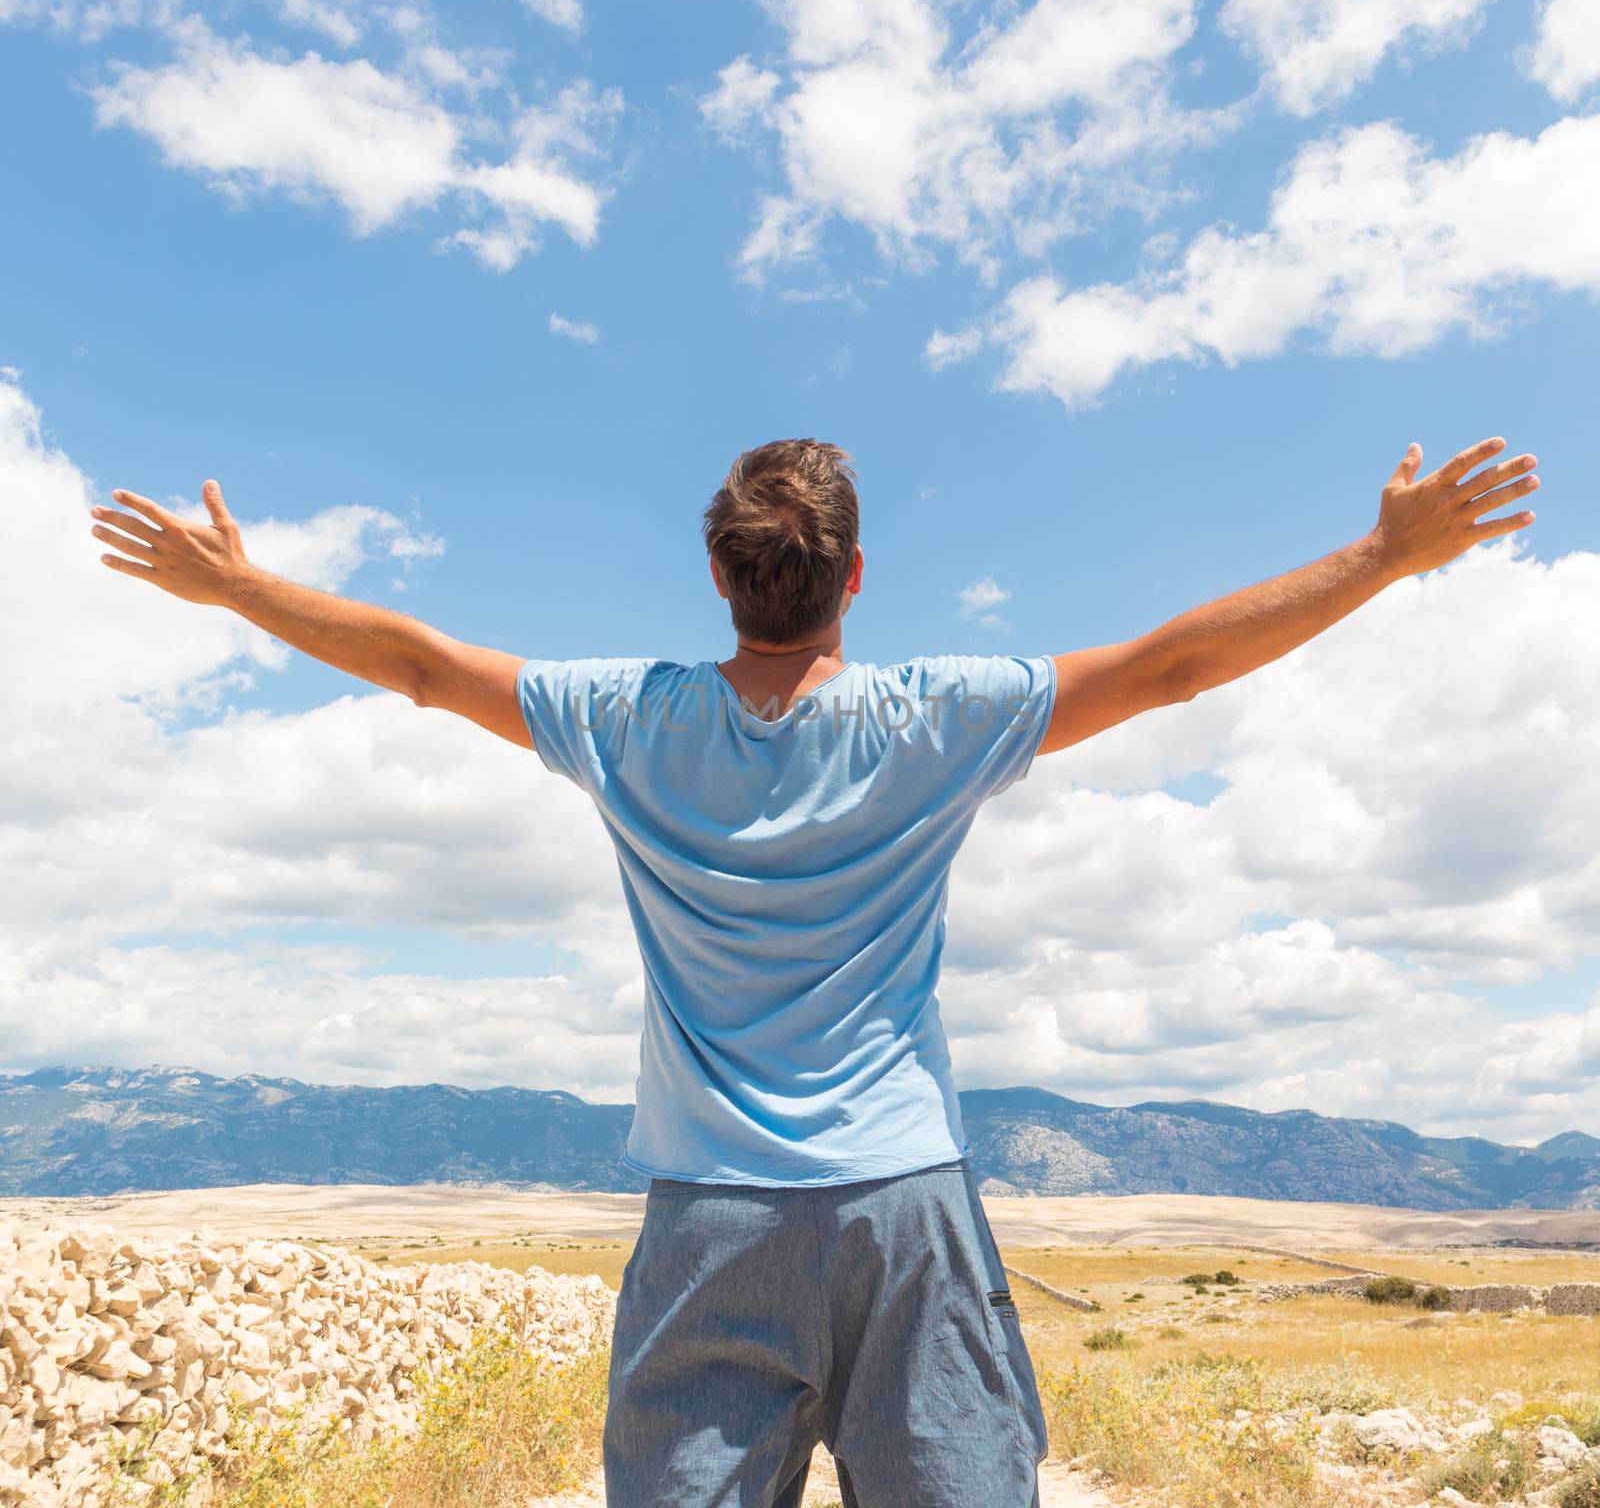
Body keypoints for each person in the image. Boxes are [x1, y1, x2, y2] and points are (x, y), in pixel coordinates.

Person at [90, 433, 1538, 1506]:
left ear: (718, 580)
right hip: (907, 1204)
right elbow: (1172, 669)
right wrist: (1387, 556)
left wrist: (239, 589)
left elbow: (415, 663)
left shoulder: (624, 721)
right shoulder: (934, 720)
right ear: (854, 578)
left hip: (712, 1213)